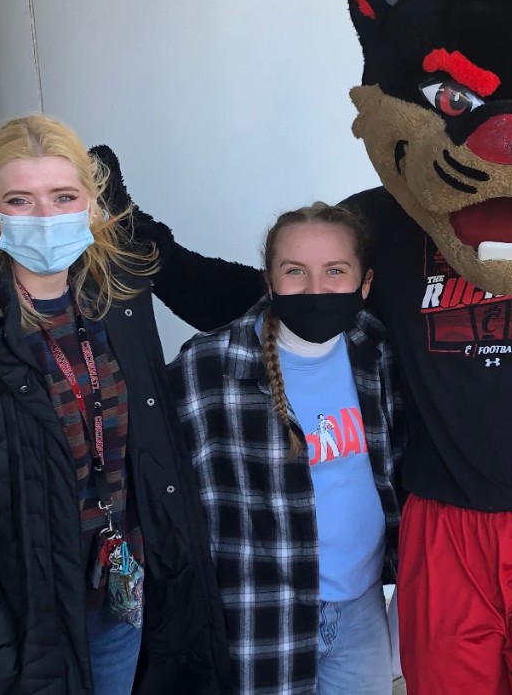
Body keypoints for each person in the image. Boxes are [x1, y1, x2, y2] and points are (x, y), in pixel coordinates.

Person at [0, 115, 230, 695]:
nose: (46, 218)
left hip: (115, 601)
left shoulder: (115, 303)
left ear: (90, 206)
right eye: (20, 200)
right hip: (20, 628)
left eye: (63, 196)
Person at [169, 203, 401, 695]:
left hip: (361, 606)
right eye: (295, 272)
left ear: (365, 283)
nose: (315, 289)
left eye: (335, 271)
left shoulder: (375, 352)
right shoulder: (208, 367)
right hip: (259, 611)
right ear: (269, 281)